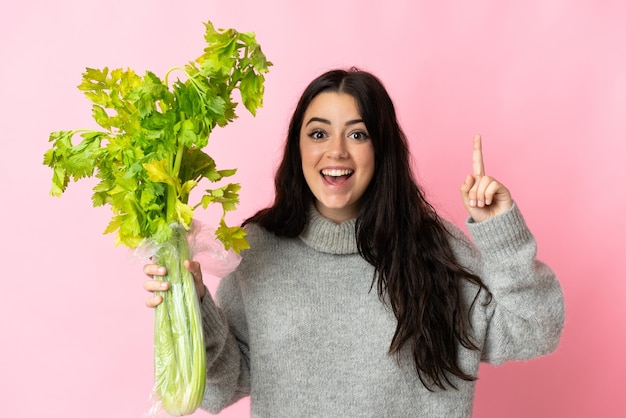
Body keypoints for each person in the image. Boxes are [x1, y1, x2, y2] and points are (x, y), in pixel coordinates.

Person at [143, 68, 564, 417]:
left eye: (358, 135)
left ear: (381, 150)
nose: (337, 152)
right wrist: (190, 303)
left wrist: (501, 234)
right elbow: (223, 386)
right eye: (319, 134)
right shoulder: (257, 249)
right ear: (297, 147)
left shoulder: (434, 248)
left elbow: (534, 331)